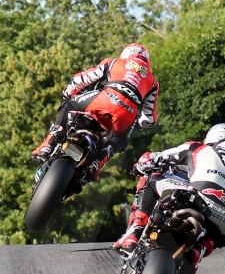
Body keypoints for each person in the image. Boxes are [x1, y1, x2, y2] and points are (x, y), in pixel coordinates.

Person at [114, 124, 225, 269]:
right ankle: (197, 251)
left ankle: (135, 232)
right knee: (224, 236)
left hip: (193, 197)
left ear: (212, 137)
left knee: (150, 179)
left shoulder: (198, 149)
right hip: (223, 218)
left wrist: (140, 165)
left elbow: (157, 158)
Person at [30, 44, 159, 179]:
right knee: (120, 139)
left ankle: (47, 144)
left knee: (70, 104)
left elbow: (81, 79)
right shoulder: (153, 82)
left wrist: (68, 92)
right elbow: (148, 119)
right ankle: (98, 163)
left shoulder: (114, 62)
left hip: (104, 99)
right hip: (127, 113)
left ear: (125, 54)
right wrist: (137, 123)